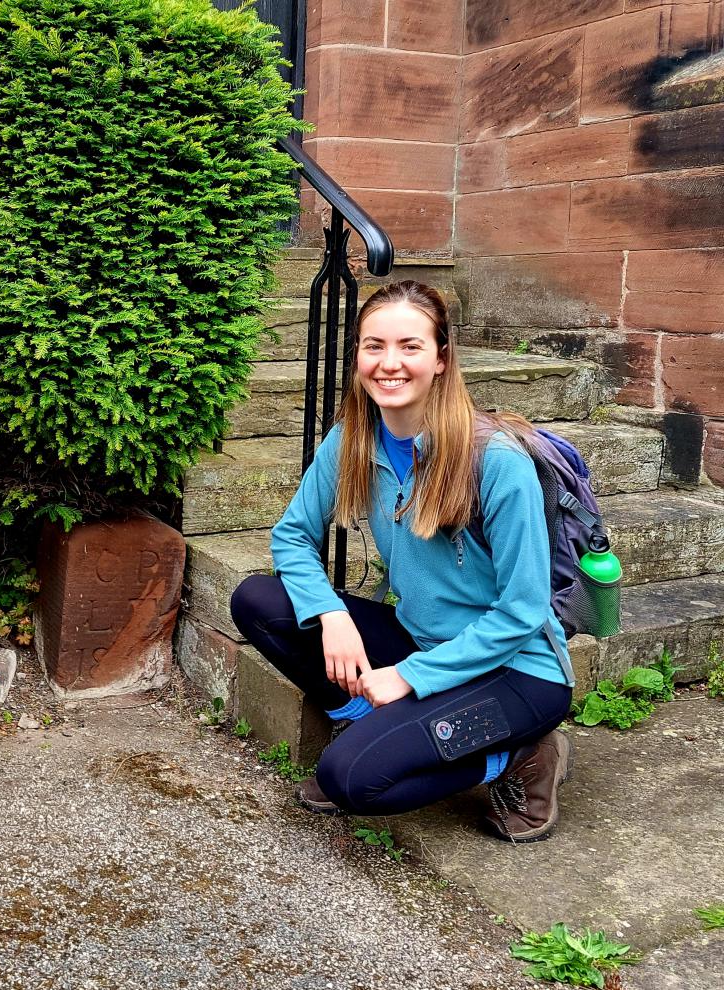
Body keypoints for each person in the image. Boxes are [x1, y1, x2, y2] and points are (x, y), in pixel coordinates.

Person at [230, 280, 575, 843]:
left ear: (441, 358)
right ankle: (387, 728)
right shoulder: (351, 440)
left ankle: (518, 758)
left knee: (351, 779)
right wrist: (332, 615)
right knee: (259, 601)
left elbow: (523, 611)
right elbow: (292, 536)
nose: (389, 364)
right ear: (359, 356)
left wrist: (410, 677)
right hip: (422, 637)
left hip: (516, 673)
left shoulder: (497, 461)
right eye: (374, 346)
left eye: (410, 347)